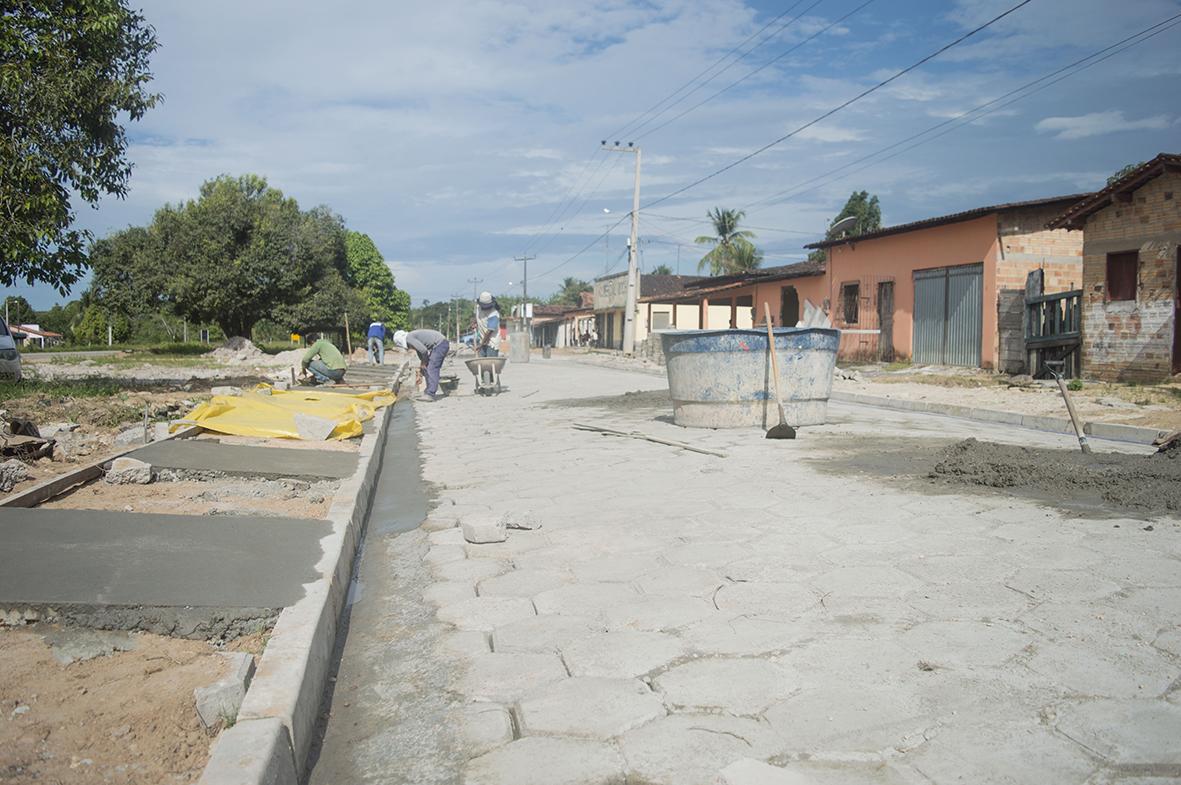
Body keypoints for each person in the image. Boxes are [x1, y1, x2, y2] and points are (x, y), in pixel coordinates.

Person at [393, 328, 450, 401]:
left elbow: (423, 351)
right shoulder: (411, 337)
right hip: (440, 345)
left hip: (440, 344)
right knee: (427, 367)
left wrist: (423, 363)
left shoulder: (409, 338)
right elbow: (420, 352)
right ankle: (428, 390)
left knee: (432, 368)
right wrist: (421, 368)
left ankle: (430, 394)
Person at [475, 291, 500, 358]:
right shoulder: (478, 308)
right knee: (481, 364)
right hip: (482, 340)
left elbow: (489, 331)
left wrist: (481, 344)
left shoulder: (494, 314)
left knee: (491, 363)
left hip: (492, 342)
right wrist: (475, 323)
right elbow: (478, 318)